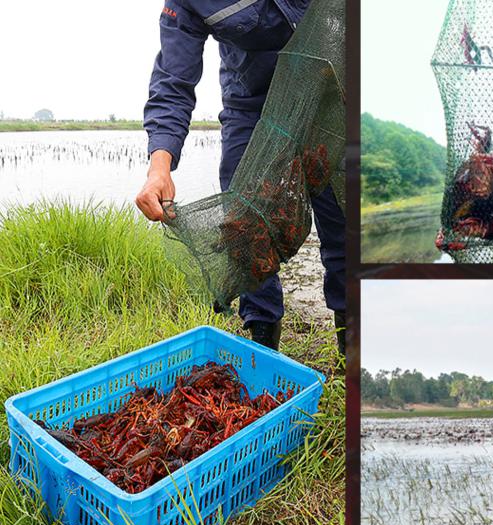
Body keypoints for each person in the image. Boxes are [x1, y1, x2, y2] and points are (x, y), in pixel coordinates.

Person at [134, 0, 346, 353]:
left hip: (328, 97)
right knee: (246, 235)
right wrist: (159, 168)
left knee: (344, 226)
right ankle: (262, 343)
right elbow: (173, 83)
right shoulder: (187, 4)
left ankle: (351, 352)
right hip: (252, 107)